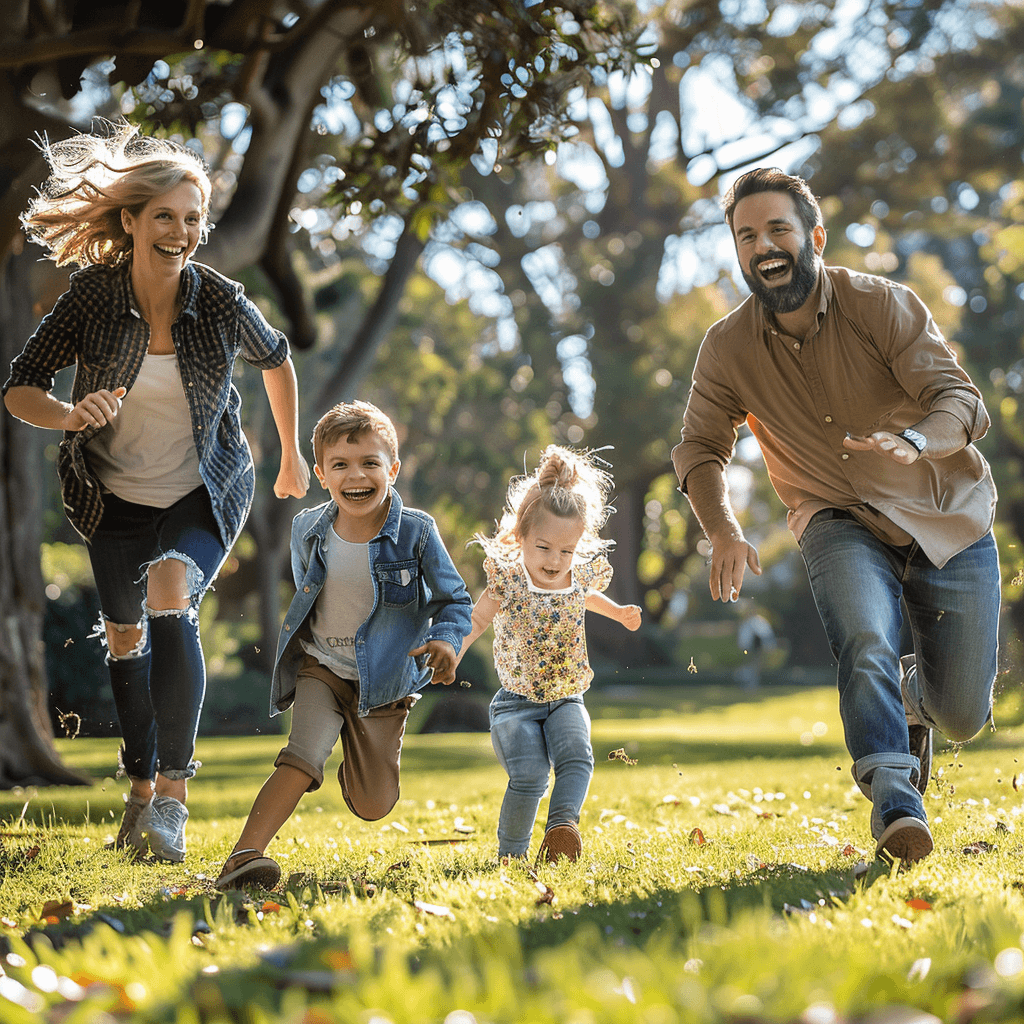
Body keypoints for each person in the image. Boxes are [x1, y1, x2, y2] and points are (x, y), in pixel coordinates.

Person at [672, 166, 999, 864]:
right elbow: (700, 448)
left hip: (944, 516)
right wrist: (723, 530)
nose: (764, 245)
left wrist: (914, 442)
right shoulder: (727, 347)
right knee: (864, 636)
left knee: (963, 714)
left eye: (779, 229)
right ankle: (894, 800)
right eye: (747, 234)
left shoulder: (880, 304)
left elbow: (962, 403)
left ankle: (916, 702)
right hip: (834, 517)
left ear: (814, 235)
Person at [3, 123, 310, 862]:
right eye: (165, 215)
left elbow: (277, 360)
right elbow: (20, 388)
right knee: (124, 641)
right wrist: (71, 414)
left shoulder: (223, 299)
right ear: (133, 220)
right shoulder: (91, 299)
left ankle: (172, 797)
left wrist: (291, 456)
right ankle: (138, 788)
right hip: (111, 497)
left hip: (204, 489)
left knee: (172, 589)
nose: (181, 231)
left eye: (193, 217)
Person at [215, 400, 472, 890]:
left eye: (370, 463)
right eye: (341, 465)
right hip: (323, 668)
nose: (357, 475)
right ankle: (244, 856)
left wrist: (445, 641)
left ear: (392, 469)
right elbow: (307, 593)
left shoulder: (416, 533)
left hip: (385, 683)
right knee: (301, 754)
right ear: (321, 474)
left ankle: (356, 752)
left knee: (374, 803)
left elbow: (455, 600)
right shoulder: (307, 529)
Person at [457, 446, 642, 865]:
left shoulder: (576, 576)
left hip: (567, 696)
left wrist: (617, 612)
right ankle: (512, 856)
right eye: (543, 548)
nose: (556, 561)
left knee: (578, 756)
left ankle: (562, 829)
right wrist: (454, 650)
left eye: (567, 551)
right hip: (515, 706)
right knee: (530, 776)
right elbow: (478, 621)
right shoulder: (508, 581)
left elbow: (587, 596)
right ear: (520, 536)